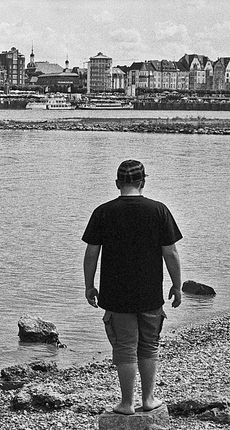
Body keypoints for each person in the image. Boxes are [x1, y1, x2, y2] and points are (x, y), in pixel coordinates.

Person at [82, 159, 182, 415]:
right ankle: (148, 400)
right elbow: (170, 252)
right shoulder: (158, 210)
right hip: (149, 292)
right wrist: (177, 285)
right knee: (149, 345)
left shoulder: (103, 212)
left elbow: (92, 252)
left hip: (116, 294)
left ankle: (126, 404)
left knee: (125, 347)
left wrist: (89, 285)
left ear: (117, 184)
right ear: (142, 182)